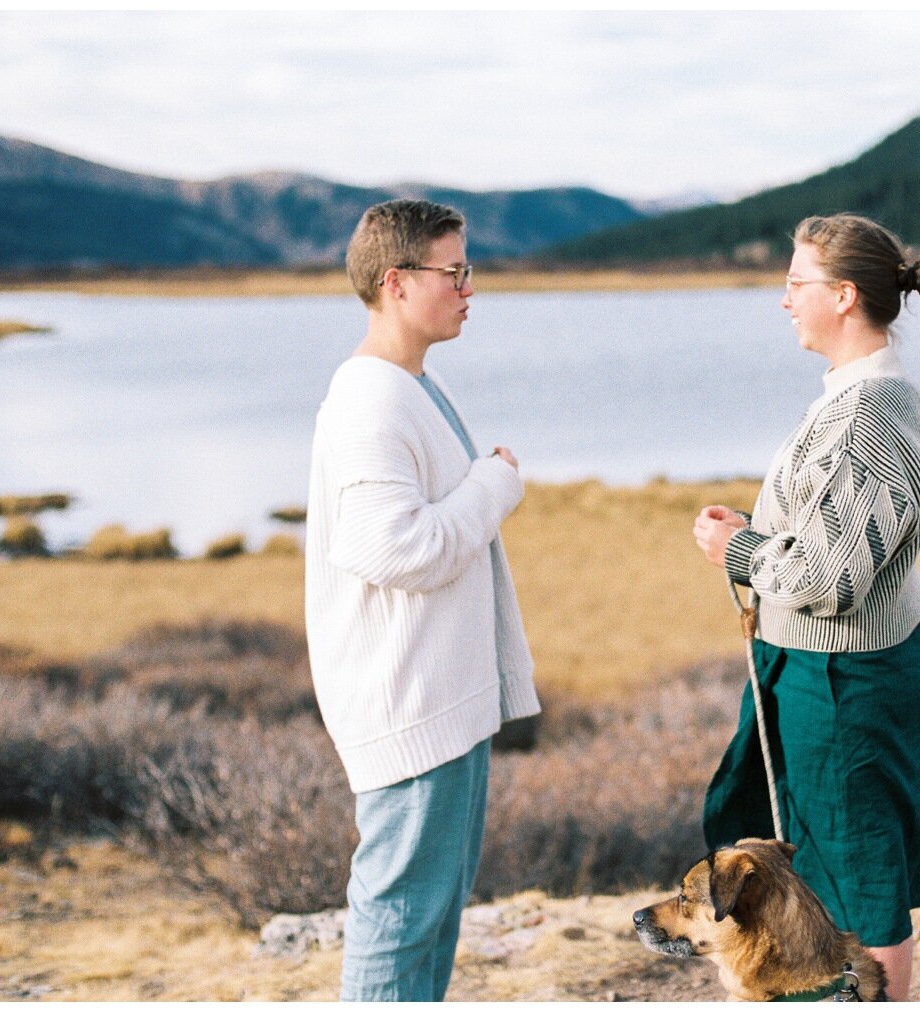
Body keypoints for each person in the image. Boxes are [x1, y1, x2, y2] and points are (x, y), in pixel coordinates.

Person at [692, 213, 920, 1001]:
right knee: (840, 862)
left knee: (861, 872)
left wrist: (736, 554)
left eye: (795, 283)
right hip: (829, 675)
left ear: (843, 296)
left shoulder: (869, 412)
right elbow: (836, 544)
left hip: (844, 684)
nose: (783, 300)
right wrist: (759, 532)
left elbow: (833, 578)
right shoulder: (857, 398)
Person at [305, 198, 539, 1001]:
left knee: (428, 917)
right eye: (455, 272)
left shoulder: (408, 386)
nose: (471, 288)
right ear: (398, 283)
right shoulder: (372, 401)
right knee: (400, 919)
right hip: (408, 708)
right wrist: (495, 486)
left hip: (437, 703)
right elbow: (393, 549)